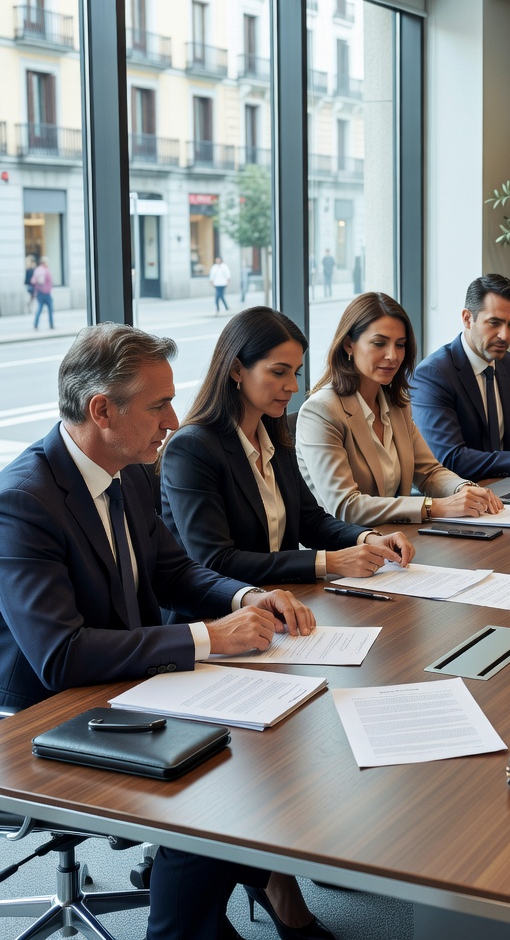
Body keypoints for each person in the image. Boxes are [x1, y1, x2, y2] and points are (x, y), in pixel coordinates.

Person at [0, 323, 321, 940]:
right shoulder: (25, 500)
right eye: (157, 406)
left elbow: (175, 571)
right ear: (101, 410)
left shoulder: (133, 473)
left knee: (257, 751)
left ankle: (210, 911)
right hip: (44, 710)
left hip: (123, 682)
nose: (174, 420)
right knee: (217, 785)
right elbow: (60, 656)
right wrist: (209, 637)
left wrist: (247, 595)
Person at [160, 306, 414, 584]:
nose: (293, 386)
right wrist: (328, 561)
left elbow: (310, 521)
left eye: (296, 373)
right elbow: (216, 561)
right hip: (222, 616)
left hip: (284, 600)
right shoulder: (192, 449)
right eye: (279, 372)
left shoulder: (274, 432)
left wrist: (368, 537)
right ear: (236, 370)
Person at [296, 292, 503, 526]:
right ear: (348, 345)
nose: (392, 356)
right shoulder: (321, 411)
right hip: (347, 551)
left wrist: (464, 488)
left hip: (395, 541)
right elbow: (346, 506)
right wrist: (434, 506)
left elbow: (430, 472)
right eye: (379, 343)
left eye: (400, 345)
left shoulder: (397, 405)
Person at [411, 274, 510, 480]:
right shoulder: (433, 375)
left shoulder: (508, 363)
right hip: (462, 499)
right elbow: (452, 458)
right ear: (467, 318)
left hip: (509, 489)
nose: (505, 335)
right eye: (494, 323)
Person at [31, 255, 54, 330]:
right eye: (47, 262)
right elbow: (49, 282)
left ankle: (35, 325)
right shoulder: (46, 270)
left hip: (39, 292)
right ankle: (51, 325)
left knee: (39, 309)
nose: (48, 263)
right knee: (50, 309)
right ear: (44, 263)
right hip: (46, 293)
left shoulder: (37, 270)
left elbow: (33, 281)